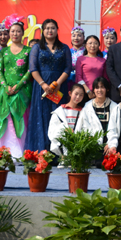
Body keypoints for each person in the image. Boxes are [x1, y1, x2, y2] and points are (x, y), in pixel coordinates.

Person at [27, 19, 71, 152]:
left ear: (57, 30)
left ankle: (58, 152)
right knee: (41, 117)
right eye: (47, 28)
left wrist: (58, 83)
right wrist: (43, 84)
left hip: (59, 87)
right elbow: (33, 68)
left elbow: (68, 68)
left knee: (58, 117)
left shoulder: (64, 48)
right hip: (41, 87)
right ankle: (41, 151)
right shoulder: (37, 47)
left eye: (52, 28)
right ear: (43, 31)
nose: (49, 31)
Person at [0, 16, 30, 158]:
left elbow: (30, 70)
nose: (15, 34)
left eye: (18, 31)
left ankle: (21, 151)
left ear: (23, 33)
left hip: (22, 90)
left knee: (20, 119)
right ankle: (6, 150)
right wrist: (5, 86)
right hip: (5, 91)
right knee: (6, 120)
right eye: (13, 31)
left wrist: (18, 86)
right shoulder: (4, 52)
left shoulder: (29, 50)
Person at [75, 77, 118, 159]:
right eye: (97, 88)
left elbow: (115, 129)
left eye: (102, 87)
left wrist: (111, 144)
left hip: (108, 145)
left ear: (107, 89)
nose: (99, 90)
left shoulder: (114, 107)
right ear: (93, 90)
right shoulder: (87, 106)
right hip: (93, 143)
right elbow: (83, 126)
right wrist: (88, 138)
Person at [48, 83, 88, 159]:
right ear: (70, 93)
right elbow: (52, 131)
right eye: (76, 94)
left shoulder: (84, 112)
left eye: (81, 95)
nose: (78, 97)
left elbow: (87, 128)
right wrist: (64, 129)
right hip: (63, 150)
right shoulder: (60, 112)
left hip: (79, 150)